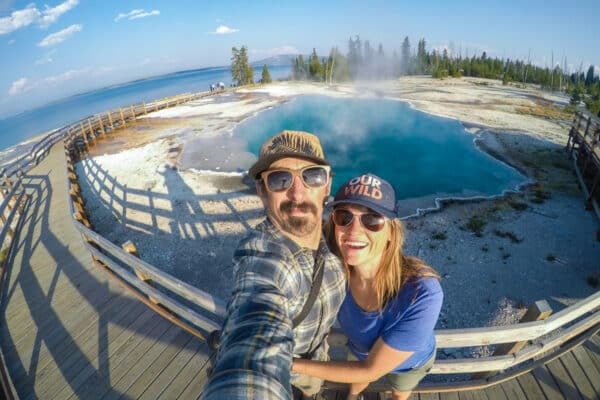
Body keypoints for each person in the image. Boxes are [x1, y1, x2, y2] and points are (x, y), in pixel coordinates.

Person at [202, 130, 346, 400]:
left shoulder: (335, 239)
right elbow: (258, 313)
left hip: (317, 367)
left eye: (312, 175)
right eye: (280, 179)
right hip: (287, 377)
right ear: (261, 191)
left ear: (327, 186)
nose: (297, 192)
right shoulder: (263, 256)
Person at [292, 173, 443, 400]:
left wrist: (289, 363)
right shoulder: (333, 272)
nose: (353, 231)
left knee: (400, 391)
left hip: (410, 363)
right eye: (344, 217)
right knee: (355, 386)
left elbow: (371, 370)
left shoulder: (422, 293)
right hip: (361, 352)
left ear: (392, 232)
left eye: (372, 220)